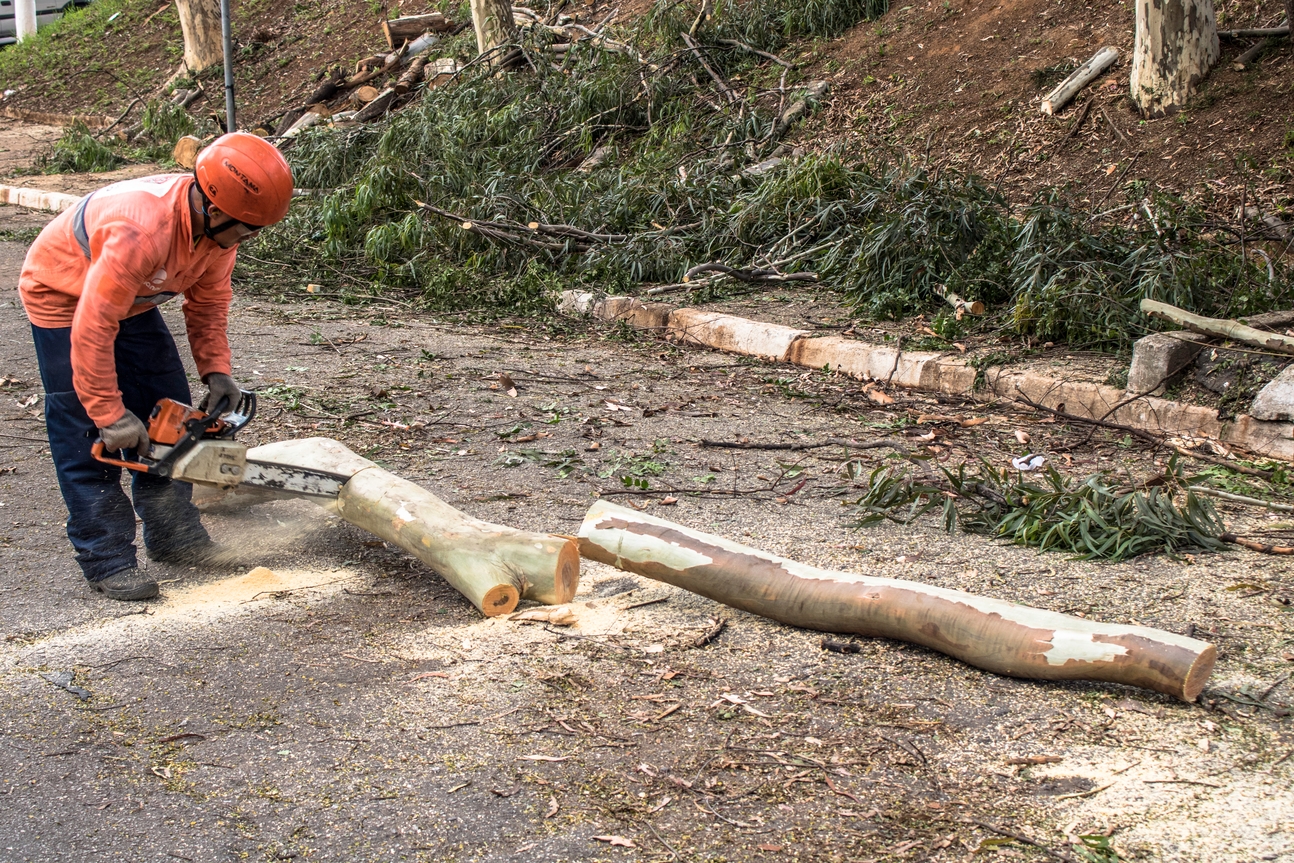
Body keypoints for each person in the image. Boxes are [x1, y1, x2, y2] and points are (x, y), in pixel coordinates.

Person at [18, 133, 294, 601]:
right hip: (65, 298)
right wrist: (108, 413)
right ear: (215, 207)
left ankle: (175, 536)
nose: (250, 238)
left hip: (134, 300)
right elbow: (92, 326)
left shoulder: (220, 234)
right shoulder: (140, 231)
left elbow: (208, 303)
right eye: (247, 228)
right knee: (86, 431)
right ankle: (107, 559)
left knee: (168, 415)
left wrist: (216, 371)